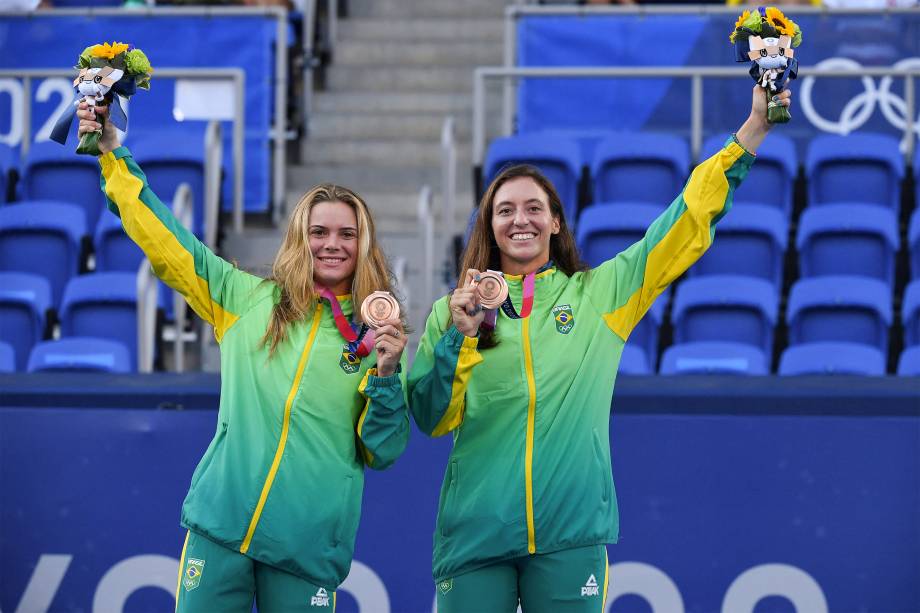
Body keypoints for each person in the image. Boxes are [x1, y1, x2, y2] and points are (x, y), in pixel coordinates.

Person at [408, 84, 793, 612]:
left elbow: (682, 222)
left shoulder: (600, 296)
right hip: (474, 537)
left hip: (570, 535)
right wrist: (460, 336)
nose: (520, 219)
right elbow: (432, 417)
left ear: (556, 221)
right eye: (505, 210)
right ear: (489, 226)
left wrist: (752, 131)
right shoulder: (449, 313)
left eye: (534, 208)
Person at [76, 102, 410, 612]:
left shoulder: (377, 335)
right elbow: (166, 240)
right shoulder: (244, 299)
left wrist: (386, 375)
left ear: (364, 244)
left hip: (306, 547)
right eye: (319, 232)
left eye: (347, 234)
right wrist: (112, 155)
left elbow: (381, 451)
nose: (332, 245)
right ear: (300, 238)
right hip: (221, 528)